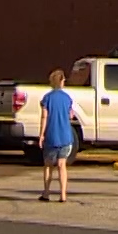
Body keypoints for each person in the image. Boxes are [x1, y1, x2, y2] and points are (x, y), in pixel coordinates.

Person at [38, 70, 85, 203]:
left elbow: (44, 117)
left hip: (51, 136)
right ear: (61, 81)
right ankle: (63, 194)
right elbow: (71, 115)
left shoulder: (47, 98)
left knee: (48, 165)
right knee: (62, 165)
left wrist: (41, 135)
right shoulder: (67, 98)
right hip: (65, 136)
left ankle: (46, 193)